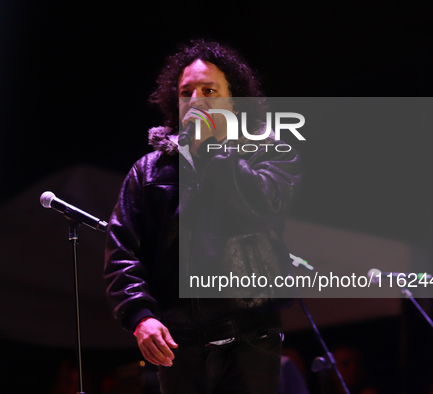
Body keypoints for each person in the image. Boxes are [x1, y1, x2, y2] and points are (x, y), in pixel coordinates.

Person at [104, 39, 301, 394]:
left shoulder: (269, 154)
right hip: (179, 346)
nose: (196, 100)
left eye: (209, 90)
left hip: (250, 338)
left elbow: (261, 210)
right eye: (186, 92)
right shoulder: (148, 172)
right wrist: (140, 317)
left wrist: (212, 151)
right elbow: (122, 253)